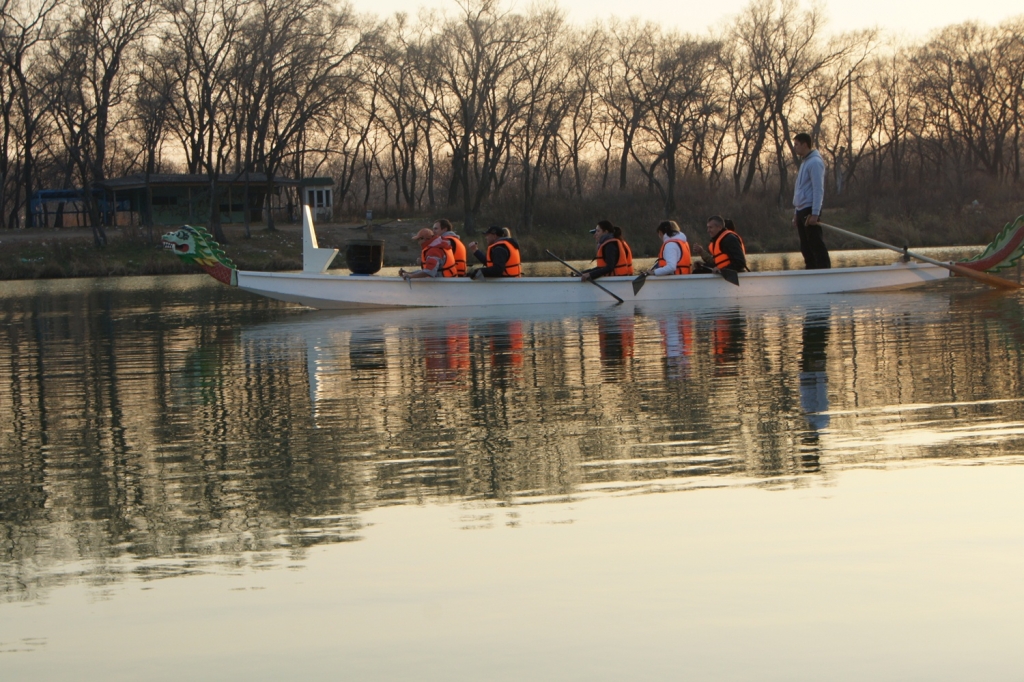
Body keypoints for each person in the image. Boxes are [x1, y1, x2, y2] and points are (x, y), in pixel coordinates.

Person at [792, 132, 831, 269]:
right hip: (801, 209)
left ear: (804, 144)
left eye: (797, 144)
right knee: (805, 245)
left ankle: (824, 270)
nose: (795, 147)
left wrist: (815, 213)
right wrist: (796, 213)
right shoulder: (804, 163)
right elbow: (799, 189)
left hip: (810, 209)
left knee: (815, 243)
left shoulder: (815, 162)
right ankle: (811, 270)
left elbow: (818, 189)